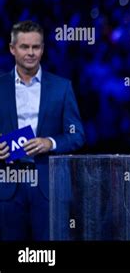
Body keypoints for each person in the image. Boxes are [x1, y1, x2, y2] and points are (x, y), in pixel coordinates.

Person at [0, 20, 85, 240]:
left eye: (36, 47)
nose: (30, 53)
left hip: (48, 185)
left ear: (43, 49)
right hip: (6, 184)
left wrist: (51, 143)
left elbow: (77, 135)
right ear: (12, 49)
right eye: (24, 47)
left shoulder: (62, 87)